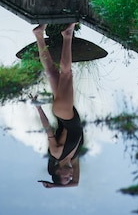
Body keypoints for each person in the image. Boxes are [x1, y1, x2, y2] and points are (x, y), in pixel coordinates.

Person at [32, 23, 84, 188]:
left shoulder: (56, 153)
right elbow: (76, 184)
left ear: (57, 171)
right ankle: (39, 35)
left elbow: (48, 129)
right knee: (51, 72)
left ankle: (67, 35)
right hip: (63, 111)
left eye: (65, 178)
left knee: (66, 73)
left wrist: (38, 107)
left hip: (64, 112)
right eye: (68, 178)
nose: (70, 177)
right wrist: (58, 186)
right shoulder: (73, 159)